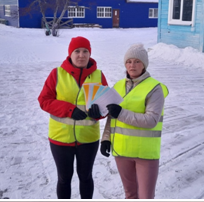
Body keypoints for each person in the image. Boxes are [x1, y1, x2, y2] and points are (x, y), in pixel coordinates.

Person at [38, 36, 108, 199]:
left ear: (90, 54)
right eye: (77, 51)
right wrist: (68, 109)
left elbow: (106, 104)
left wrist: (100, 113)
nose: (81, 55)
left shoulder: (98, 76)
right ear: (70, 54)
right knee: (64, 179)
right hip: (60, 138)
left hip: (88, 139)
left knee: (86, 177)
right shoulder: (57, 74)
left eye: (85, 51)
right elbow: (44, 100)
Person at [100, 43, 168, 199]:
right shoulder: (118, 86)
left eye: (137, 61)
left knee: (145, 197)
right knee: (130, 195)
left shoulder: (154, 88)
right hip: (122, 151)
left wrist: (122, 113)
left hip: (145, 154)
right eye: (129, 61)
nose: (132, 65)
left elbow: (151, 120)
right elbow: (112, 116)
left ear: (144, 64)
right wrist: (105, 139)